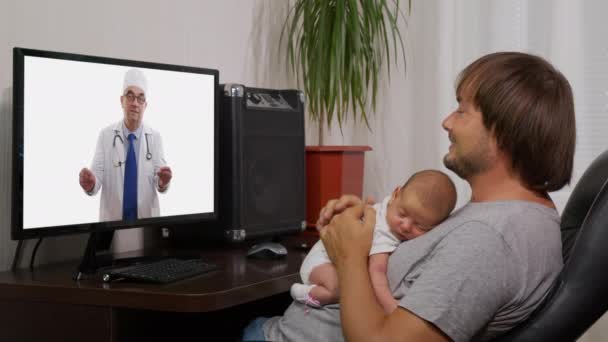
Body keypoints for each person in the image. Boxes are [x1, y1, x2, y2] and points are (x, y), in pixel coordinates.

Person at [243, 51, 576, 341]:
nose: (447, 122)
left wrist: (348, 253)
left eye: (462, 110)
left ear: (504, 130)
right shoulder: (512, 217)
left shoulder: (489, 240)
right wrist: (374, 221)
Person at [290, 170, 456, 313]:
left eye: (420, 226)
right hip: (319, 263)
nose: (405, 226)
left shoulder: (386, 207)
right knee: (337, 288)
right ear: (395, 194)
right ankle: (303, 293)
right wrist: (390, 306)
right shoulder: (385, 234)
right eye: (403, 214)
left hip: (327, 259)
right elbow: (376, 274)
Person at [79, 69, 172, 221]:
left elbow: (160, 180)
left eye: (140, 99)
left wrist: (163, 182)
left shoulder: (155, 137)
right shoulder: (105, 135)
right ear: (122, 100)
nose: (135, 103)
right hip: (112, 224)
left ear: (145, 105)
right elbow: (96, 178)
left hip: (146, 223)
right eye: (130, 96)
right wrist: (90, 183)